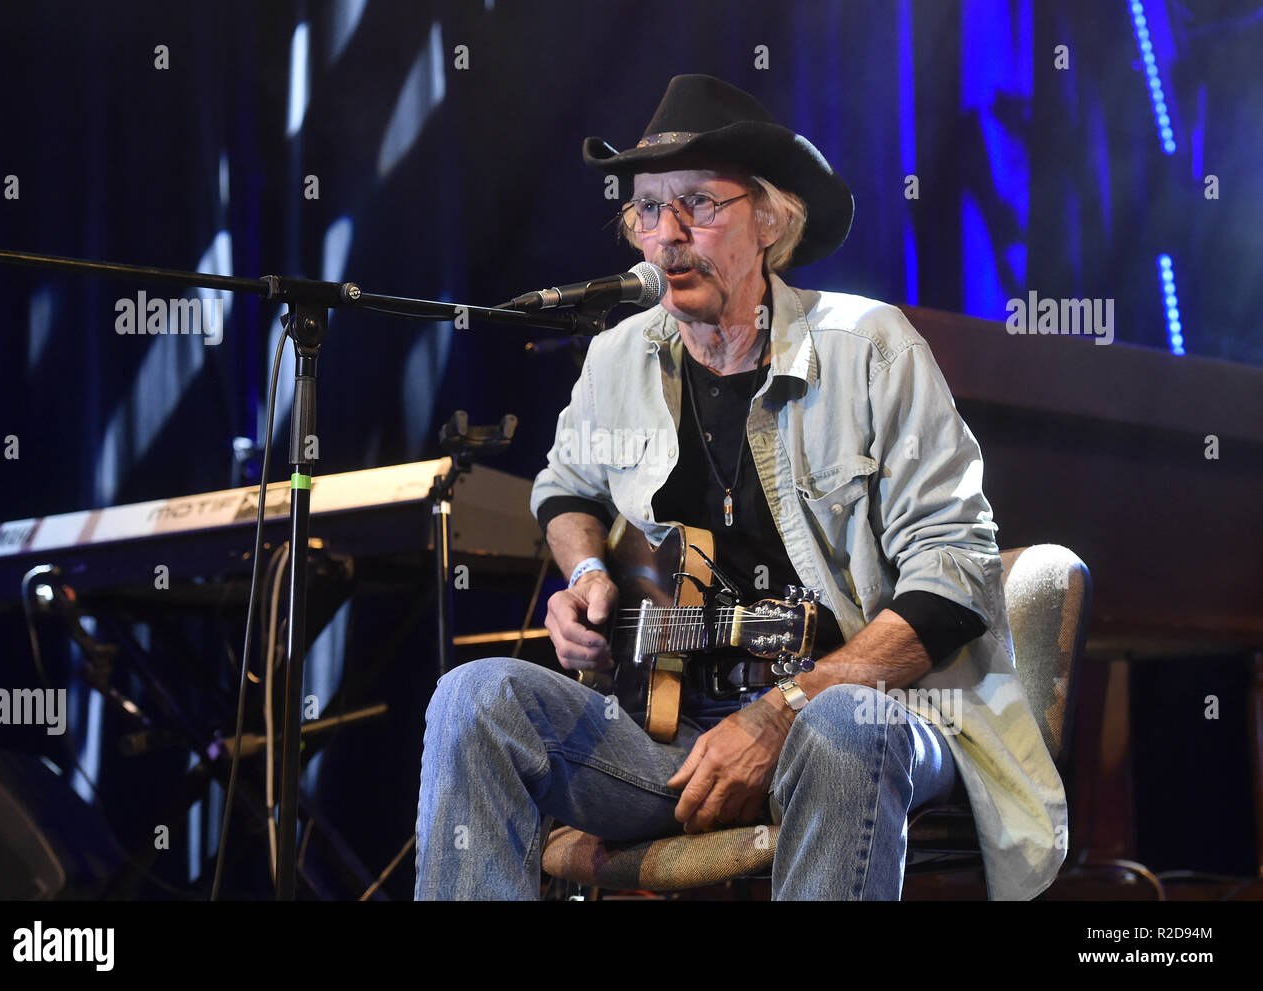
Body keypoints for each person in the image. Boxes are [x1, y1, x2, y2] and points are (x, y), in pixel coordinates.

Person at [415, 74, 1066, 900]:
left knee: (836, 729)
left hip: (864, 715)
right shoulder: (620, 355)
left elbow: (957, 570)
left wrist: (784, 708)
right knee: (476, 698)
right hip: (670, 735)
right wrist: (584, 575)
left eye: (699, 204)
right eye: (647, 209)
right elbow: (564, 489)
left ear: (770, 219)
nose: (668, 235)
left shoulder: (871, 349)